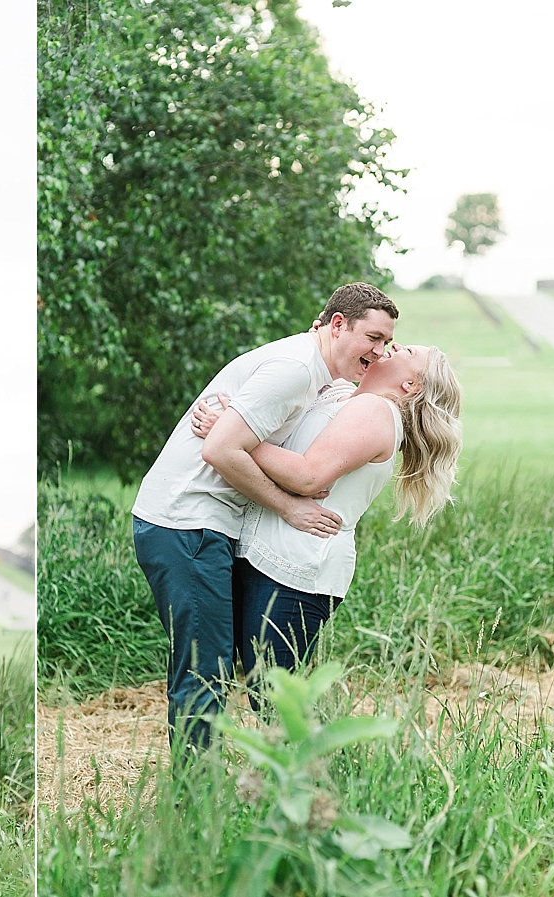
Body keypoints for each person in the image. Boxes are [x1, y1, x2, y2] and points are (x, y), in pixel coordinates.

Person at [131, 283, 399, 756]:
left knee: (220, 666)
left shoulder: (315, 371)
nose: (381, 351)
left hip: (202, 524)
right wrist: (289, 506)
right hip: (187, 522)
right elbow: (219, 449)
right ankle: (196, 803)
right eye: (373, 338)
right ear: (337, 325)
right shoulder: (295, 369)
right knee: (203, 672)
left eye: (388, 343)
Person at [191, 343, 462, 690]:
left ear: (411, 386)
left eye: (407, 351)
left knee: (275, 695)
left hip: (298, 564)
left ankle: (327, 746)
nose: (393, 346)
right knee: (268, 689)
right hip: (272, 555)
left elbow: (308, 475)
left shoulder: (376, 410)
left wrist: (230, 435)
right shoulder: (344, 396)